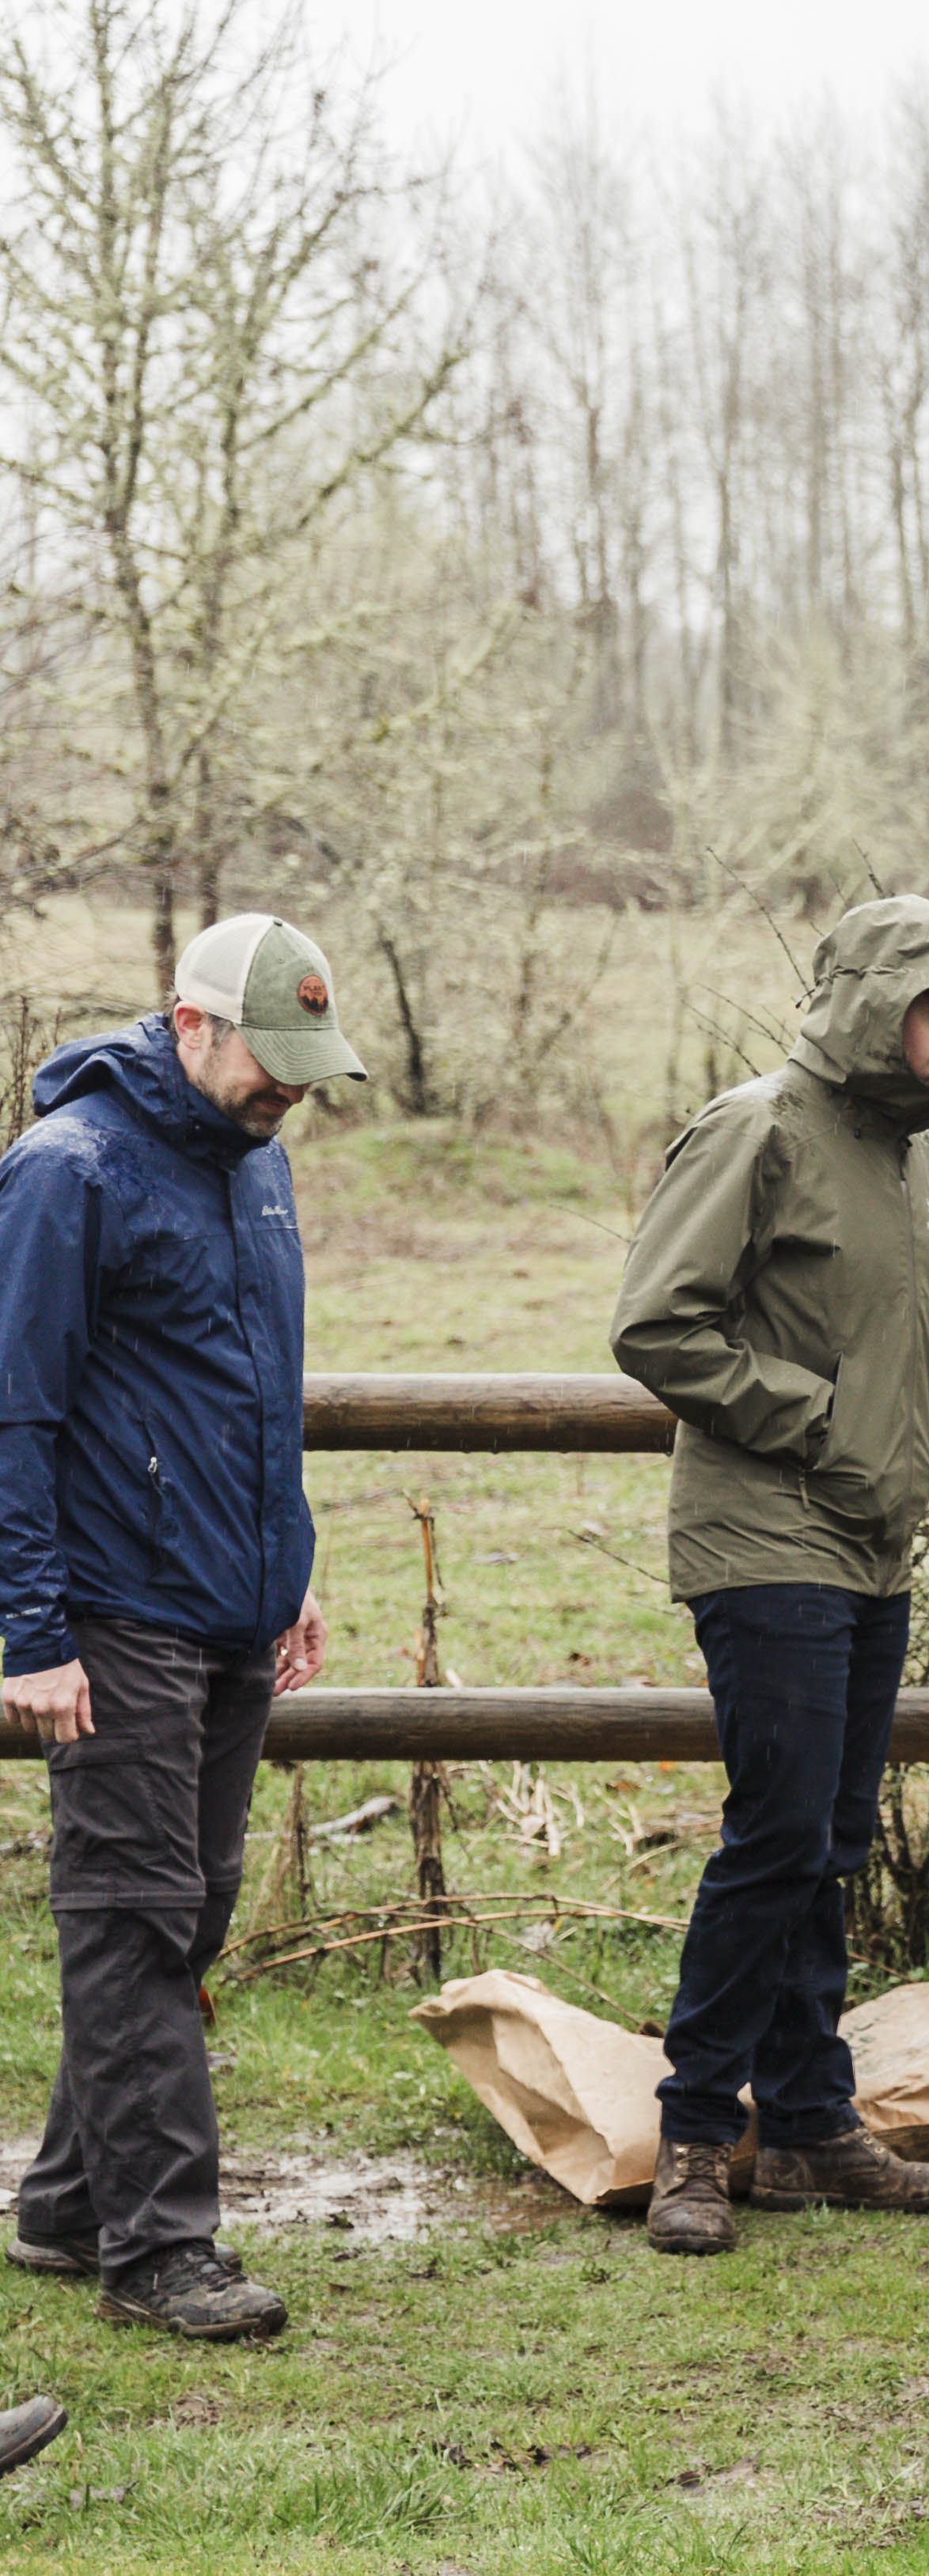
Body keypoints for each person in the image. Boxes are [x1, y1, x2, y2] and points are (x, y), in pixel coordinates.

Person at [609, 897, 929, 2258]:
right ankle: (695, 2133)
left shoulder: (894, 1153)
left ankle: (807, 2126)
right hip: (764, 1533)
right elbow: (655, 1325)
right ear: (877, 1004)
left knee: (830, 1839)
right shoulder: (761, 1127)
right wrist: (822, 1423)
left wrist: (885, 1444)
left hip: (867, 1537)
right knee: (780, 1834)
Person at [0, 917, 362, 2342]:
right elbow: (12, 1415)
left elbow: (255, 1391)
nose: (289, 1091)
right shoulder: (67, 1173)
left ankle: (66, 2203)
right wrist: (29, 1633)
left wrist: (293, 1569)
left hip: (231, 1600)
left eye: (305, 1068)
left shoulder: (253, 1167)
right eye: (270, 1061)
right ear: (190, 1022)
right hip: (115, 1605)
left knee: (192, 1905)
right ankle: (162, 2249)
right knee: (134, 1911)